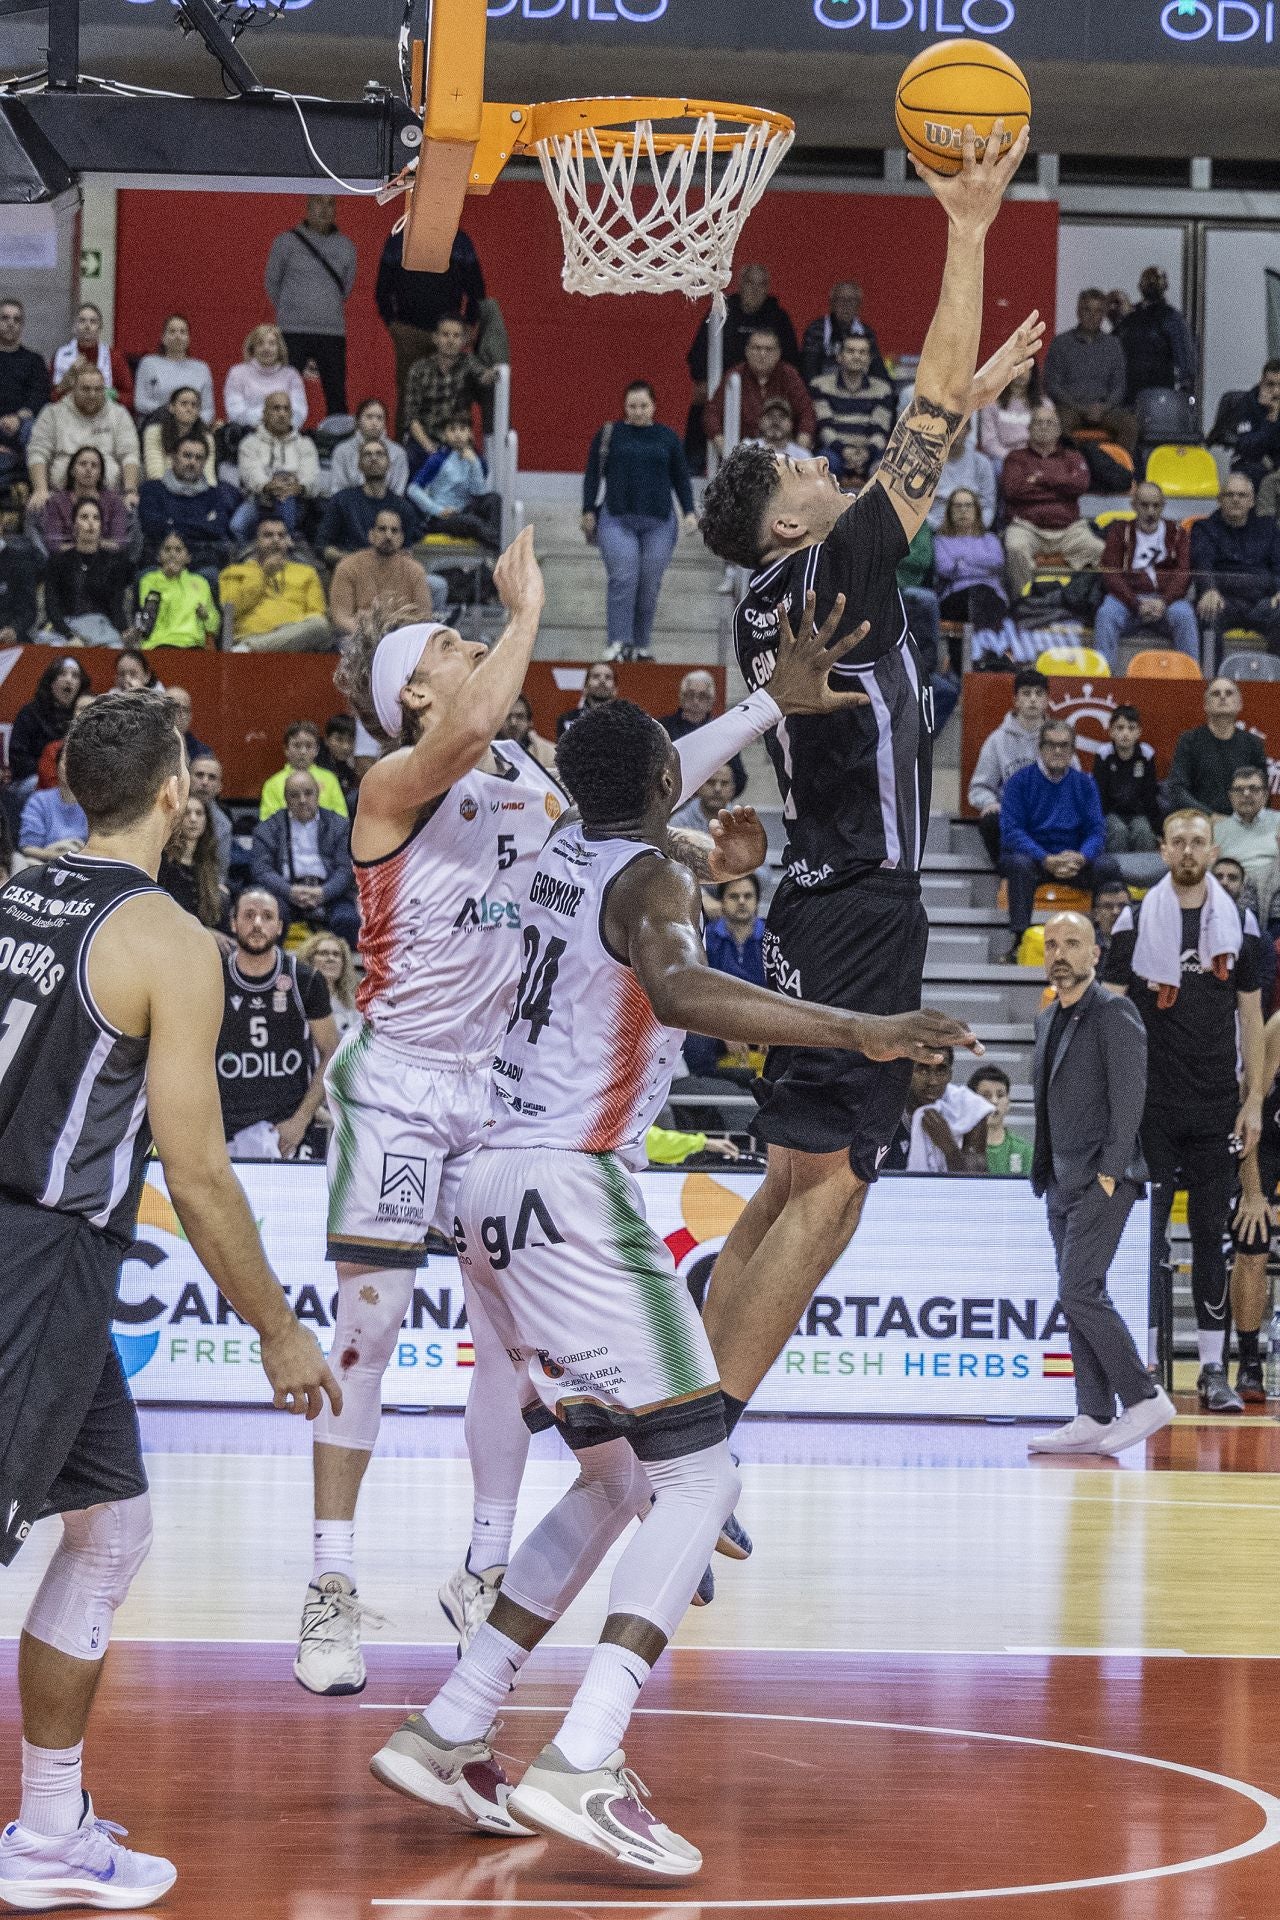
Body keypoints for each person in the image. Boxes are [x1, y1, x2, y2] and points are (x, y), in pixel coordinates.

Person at [369, 695, 977, 1870]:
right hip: (567, 1183)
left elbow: (627, 804)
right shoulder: (652, 883)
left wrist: (736, 763)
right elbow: (684, 991)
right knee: (696, 1479)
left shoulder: (551, 844)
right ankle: (586, 1752)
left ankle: (452, 1722)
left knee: (609, 1483)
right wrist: (858, 1031)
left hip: (481, 1187)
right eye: (678, 774)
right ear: (659, 784)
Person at [309, 533, 890, 1697]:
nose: (481, 651)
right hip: (402, 1082)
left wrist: (748, 736)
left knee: (504, 1357)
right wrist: (522, 612)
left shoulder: (523, 777)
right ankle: (329, 1579)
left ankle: (486, 1565)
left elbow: (632, 793)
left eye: (482, 636)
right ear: (412, 691)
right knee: (366, 1336)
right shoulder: (392, 783)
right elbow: (470, 728)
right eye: (456, 646)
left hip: (494, 1093)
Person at [692, 121, 1033, 1479]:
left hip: (821, 897)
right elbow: (928, 410)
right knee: (832, 1185)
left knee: (785, 1177)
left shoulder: (779, 588)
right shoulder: (828, 567)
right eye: (800, 473)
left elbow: (929, 438)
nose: (820, 466)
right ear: (786, 523)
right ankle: (707, 1443)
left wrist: (963, 393)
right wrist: (963, 228)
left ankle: (681, 1417)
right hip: (861, 906)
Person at [0, 690, 337, 1911]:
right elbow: (196, 1170)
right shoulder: (166, 942)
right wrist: (279, 1326)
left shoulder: (19, 884)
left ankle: (47, 1835)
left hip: (55, 1259)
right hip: (35, 1255)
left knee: (112, 1529)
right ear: (176, 796)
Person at [1103, 809, 1264, 1412]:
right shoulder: (1135, 920)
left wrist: (1252, 1099)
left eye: (1199, 841)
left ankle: (1213, 1370)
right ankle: (1144, 1368)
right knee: (1147, 1240)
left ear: (1212, 846)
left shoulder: (1239, 923)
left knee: (1207, 1239)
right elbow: (1113, 1015)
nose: (1189, 851)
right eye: (1178, 842)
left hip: (1216, 1105)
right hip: (1152, 1107)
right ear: (1163, 850)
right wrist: (1115, 1102)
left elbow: (1250, 1017)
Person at [1026, 912, 1174, 1454]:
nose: (1060, 954)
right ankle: (1092, 1413)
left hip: (1104, 1176)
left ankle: (1143, 1397)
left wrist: (1111, 1170)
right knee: (1077, 1294)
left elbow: (1130, 1096)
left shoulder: (1115, 1011)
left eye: (1073, 944)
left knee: (1079, 1289)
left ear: (1095, 954)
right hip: (1060, 1177)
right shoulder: (1048, 1018)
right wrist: (1044, 1171)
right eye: (1052, 945)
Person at [215, 886, 338, 1161]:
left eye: (267, 916)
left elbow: (331, 1051)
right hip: (224, 1129)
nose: (257, 923)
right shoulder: (212, 977)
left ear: (280, 926)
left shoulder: (305, 979)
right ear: (233, 923)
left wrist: (301, 1119)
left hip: (289, 1129)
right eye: (249, 915)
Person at [582, 381, 697, 664]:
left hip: (659, 521)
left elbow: (681, 477)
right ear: (624, 407)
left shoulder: (668, 437)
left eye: (643, 406)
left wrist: (690, 511)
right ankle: (619, 642)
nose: (638, 411)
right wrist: (587, 509)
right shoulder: (610, 433)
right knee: (623, 578)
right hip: (616, 517)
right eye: (632, 406)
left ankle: (641, 645)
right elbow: (592, 474)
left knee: (649, 583)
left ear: (654, 406)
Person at [1000, 720, 1121, 959]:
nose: (1057, 751)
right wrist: (1045, 858)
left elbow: (1097, 830)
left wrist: (1082, 856)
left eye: (1064, 746)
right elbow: (1012, 831)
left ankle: (1101, 940)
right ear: (1040, 748)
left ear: (1073, 750)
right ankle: (1020, 941)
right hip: (1036, 860)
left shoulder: (1085, 783)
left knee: (1108, 866)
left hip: (1074, 860)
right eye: (1051, 745)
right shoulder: (1019, 782)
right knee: (1018, 864)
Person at [375, 226, 486, 431]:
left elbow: (476, 288)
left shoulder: (460, 241)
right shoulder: (398, 240)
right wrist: (393, 324)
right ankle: (407, 453)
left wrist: (469, 325)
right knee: (408, 395)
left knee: (453, 393)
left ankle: (452, 453)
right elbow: (382, 289)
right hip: (410, 332)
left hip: (448, 335)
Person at [266, 196, 358, 419]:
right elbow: (272, 283)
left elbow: (346, 287)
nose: (324, 209)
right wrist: (294, 310)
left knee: (336, 393)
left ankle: (336, 444)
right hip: (291, 330)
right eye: (319, 202)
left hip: (331, 331)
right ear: (307, 207)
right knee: (283, 393)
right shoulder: (285, 242)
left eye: (330, 204)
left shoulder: (346, 246)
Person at [1228, 1008, 1280, 1402]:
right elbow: (1249, 1108)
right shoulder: (1278, 1029)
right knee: (1252, 1235)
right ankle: (1248, 1362)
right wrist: (1252, 1191)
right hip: (1267, 1138)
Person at [1000, 402, 1103, 598]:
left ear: (1058, 430)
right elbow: (1012, 491)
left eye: (1050, 423)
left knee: (1101, 551)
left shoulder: (1073, 457)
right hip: (1027, 528)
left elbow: (1080, 486)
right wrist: (1061, 488)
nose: (1044, 427)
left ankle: (1083, 603)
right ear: (1029, 429)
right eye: (1038, 423)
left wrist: (1040, 479)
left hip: (1069, 530)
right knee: (1014, 547)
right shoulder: (1015, 458)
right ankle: (1023, 604)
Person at [250, 769, 360, 947]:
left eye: (308, 793)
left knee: (348, 920)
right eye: (294, 795)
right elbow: (262, 870)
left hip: (330, 892)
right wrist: (289, 891)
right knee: (272, 916)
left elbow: (346, 869)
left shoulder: (340, 825)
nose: (302, 800)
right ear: (286, 799)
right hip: (284, 892)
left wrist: (324, 893)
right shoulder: (267, 828)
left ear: (318, 794)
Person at [1094, 480, 1197, 666]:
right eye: (1144, 505)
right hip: (1127, 600)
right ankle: (1103, 682)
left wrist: (1164, 602)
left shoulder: (1177, 533)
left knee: (1185, 615)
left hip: (1165, 600)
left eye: (1156, 506)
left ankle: (1191, 682)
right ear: (1134, 505)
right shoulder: (1120, 531)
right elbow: (1111, 573)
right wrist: (1135, 602)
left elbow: (1183, 573)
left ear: (1163, 506)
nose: (1150, 512)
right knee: (1106, 614)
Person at [26, 362, 140, 509]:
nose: (92, 395)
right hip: (61, 495)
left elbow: (129, 455)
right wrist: (40, 489)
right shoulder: (52, 413)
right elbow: (38, 453)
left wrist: (130, 491)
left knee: (133, 507)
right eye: (86, 389)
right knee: (34, 510)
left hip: (108, 497)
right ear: (73, 389)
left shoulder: (119, 414)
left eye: (98, 390)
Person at [1190, 474, 1280, 657]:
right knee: (1206, 613)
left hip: (1263, 602)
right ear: (1219, 499)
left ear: (1252, 501)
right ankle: (1213, 682)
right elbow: (1202, 563)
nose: (1236, 499)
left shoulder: (1268, 528)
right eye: (1229, 495)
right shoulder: (1204, 528)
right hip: (1223, 601)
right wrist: (1209, 589)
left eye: (1242, 495)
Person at [967, 668, 1049, 868]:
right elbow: (978, 788)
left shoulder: (1057, 737)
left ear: (1047, 700)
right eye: (1026, 693)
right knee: (991, 820)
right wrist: (990, 802)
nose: (1032, 700)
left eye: (1039, 694)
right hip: (1012, 815)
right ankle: (1006, 870)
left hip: (1049, 815)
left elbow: (1073, 783)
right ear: (1016, 700)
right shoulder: (997, 740)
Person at [219, 516, 331, 654]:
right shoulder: (233, 572)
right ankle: (253, 647)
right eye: (268, 535)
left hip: (296, 646)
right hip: (251, 636)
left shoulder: (307, 572)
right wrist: (263, 574)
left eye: (281, 535)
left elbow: (316, 614)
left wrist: (286, 632)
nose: (276, 540)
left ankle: (251, 648)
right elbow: (232, 611)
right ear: (255, 542)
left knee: (320, 625)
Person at [1042, 288, 1135, 453]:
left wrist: (1104, 408)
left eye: (1098, 311)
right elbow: (1053, 385)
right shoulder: (1061, 343)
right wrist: (1080, 408)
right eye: (1087, 309)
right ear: (1078, 311)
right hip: (1070, 408)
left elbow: (1119, 386)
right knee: (1055, 424)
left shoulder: (1113, 345)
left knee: (1130, 425)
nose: (1092, 315)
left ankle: (1117, 468)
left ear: (1104, 314)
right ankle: (1076, 466)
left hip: (1105, 410)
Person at [703, 328, 815, 457]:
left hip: (782, 454)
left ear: (779, 353)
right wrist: (726, 449)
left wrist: (799, 451)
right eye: (756, 348)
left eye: (768, 349)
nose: (762, 354)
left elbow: (807, 413)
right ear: (746, 351)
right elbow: (712, 413)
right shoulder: (734, 376)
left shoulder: (789, 375)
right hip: (742, 455)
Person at [1167, 677, 1268, 817]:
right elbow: (1177, 789)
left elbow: (1262, 790)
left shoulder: (1253, 743)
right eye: (1216, 693)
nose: (1222, 697)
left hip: (1244, 823)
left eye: (1229, 693)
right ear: (1206, 706)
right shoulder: (1189, 741)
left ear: (1239, 704)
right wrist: (1210, 816)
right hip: (1200, 821)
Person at [137, 432, 236, 573]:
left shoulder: (216, 495)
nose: (192, 462)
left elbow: (216, 529)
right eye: (187, 456)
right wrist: (199, 525)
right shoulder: (152, 489)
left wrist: (172, 522)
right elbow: (151, 526)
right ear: (173, 457)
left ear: (204, 462)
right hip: (159, 561)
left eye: (198, 458)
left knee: (211, 576)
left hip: (202, 563)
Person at [233, 390, 323, 542]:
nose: (282, 414)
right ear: (264, 414)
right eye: (276, 408)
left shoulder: (305, 444)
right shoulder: (249, 443)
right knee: (237, 526)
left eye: (286, 409)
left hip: (298, 501)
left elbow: (311, 477)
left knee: (285, 498)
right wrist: (269, 486)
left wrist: (298, 487)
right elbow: (251, 474)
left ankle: (281, 550)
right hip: (259, 500)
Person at [39, 498, 131, 646]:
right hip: (64, 627)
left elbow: (116, 607)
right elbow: (52, 605)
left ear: (101, 525)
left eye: (96, 518)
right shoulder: (57, 561)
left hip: (102, 626)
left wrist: (125, 630)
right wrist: (69, 636)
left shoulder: (114, 563)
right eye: (84, 517)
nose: (90, 523)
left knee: (117, 649)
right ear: (74, 524)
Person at [328, 508, 432, 639]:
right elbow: (341, 618)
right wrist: (373, 636)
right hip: (359, 639)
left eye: (394, 531)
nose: (388, 536)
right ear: (371, 535)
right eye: (382, 529)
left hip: (402, 639)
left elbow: (424, 618)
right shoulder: (347, 567)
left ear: (401, 538)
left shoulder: (415, 571)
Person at [7, 657, 91, 815]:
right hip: (31, 779)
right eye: (62, 674)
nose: (69, 680)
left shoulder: (82, 714)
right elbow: (18, 759)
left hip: (72, 781)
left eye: (75, 676)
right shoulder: (30, 712)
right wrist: (52, 774)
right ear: (51, 681)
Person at [319, 439, 423, 564]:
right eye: (367, 454)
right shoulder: (341, 501)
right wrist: (354, 561)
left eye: (379, 454)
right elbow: (322, 547)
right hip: (351, 572)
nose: (373, 458)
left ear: (389, 463)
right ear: (359, 465)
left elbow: (407, 551)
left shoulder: (403, 508)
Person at [809, 334, 896, 484]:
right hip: (834, 451)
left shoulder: (883, 389)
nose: (857, 356)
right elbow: (825, 428)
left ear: (869, 358)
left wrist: (866, 453)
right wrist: (844, 451)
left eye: (862, 352)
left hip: (870, 452)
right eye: (850, 351)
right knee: (825, 461)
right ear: (839, 356)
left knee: (888, 465)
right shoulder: (820, 385)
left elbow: (880, 430)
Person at [404, 315, 494, 458]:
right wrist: (429, 447)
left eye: (456, 336)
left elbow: (484, 376)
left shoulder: (469, 363)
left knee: (481, 467)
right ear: (435, 338)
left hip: (458, 441)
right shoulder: (419, 369)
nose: (451, 340)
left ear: (464, 340)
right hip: (424, 442)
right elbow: (410, 417)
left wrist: (493, 373)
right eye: (445, 335)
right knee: (409, 459)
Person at [405, 413, 499, 550]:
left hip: (465, 511)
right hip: (441, 518)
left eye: (462, 429)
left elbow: (479, 494)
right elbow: (413, 489)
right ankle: (502, 549)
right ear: (445, 435)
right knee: (473, 523)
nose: (458, 434)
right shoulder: (437, 459)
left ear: (470, 434)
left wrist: (474, 464)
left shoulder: (478, 461)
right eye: (452, 430)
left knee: (494, 499)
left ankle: (495, 549)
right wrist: (437, 510)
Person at [30, 444, 131, 555]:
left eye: (94, 466)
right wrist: (85, 545)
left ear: (100, 474)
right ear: (72, 470)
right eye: (83, 464)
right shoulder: (57, 501)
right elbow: (54, 544)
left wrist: (88, 544)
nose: (88, 469)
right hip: (67, 562)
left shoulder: (114, 501)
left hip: (107, 562)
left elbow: (120, 543)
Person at [1116, 265, 1197, 404]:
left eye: (1156, 280)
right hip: (1128, 393)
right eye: (1148, 280)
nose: (1152, 284)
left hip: (1159, 394)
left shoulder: (1172, 318)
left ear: (1164, 285)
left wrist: (1184, 388)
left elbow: (1185, 359)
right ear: (1140, 285)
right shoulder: (1130, 317)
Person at [659, 669, 746, 798]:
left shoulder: (722, 732)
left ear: (711, 701)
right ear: (681, 698)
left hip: (712, 802)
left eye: (702, 696)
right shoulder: (663, 728)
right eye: (690, 695)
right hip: (671, 799)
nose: (695, 701)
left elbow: (738, 777)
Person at [933, 485, 1008, 632]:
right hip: (956, 596)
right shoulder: (940, 540)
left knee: (984, 595)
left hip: (991, 595)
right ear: (949, 511)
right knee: (972, 596)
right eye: (957, 506)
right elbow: (945, 569)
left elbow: (998, 562)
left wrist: (961, 562)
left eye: (968, 505)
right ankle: (979, 651)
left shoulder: (990, 539)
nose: (963, 510)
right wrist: (983, 566)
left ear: (977, 510)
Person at [1093, 703, 1162, 855]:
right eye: (1120, 728)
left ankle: (1146, 875)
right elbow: (1098, 795)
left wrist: (1158, 829)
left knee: (1143, 831)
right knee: (1118, 831)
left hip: (1138, 813)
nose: (1125, 733)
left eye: (1131, 728)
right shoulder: (1103, 754)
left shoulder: (1146, 754)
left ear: (1139, 732)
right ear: (1111, 731)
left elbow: (1150, 795)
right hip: (1111, 813)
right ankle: (1117, 874)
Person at [133, 531, 221, 650]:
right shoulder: (148, 580)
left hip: (193, 646)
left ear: (188, 558)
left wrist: (206, 615)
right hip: (158, 644)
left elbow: (213, 626)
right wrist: (169, 576)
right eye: (167, 549)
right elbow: (148, 613)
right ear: (159, 556)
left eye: (178, 550)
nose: (172, 554)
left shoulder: (201, 583)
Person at [1213, 766, 1280, 915]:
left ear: (1265, 795)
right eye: (1239, 790)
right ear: (1230, 796)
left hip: (1273, 895)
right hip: (1233, 896)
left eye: (1253, 789)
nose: (1246, 794)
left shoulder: (1278, 822)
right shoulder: (1217, 830)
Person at [799, 279, 890, 387]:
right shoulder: (816, 329)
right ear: (831, 303)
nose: (846, 305)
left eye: (852, 300)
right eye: (841, 300)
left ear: (859, 306)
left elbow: (877, 368)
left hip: (861, 389)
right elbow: (809, 369)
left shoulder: (866, 332)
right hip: (825, 387)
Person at [0, 295, 50, 482]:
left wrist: (18, 417)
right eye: (5, 318)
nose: (11, 323)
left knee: (36, 427)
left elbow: (39, 397)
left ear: (22, 325)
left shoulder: (34, 361)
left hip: (22, 426)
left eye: (16, 319)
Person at [259, 720, 350, 820]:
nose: (303, 751)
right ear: (286, 749)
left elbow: (342, 818)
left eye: (309, 746)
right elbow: (267, 822)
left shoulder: (329, 779)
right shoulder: (273, 784)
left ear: (316, 750)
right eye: (297, 746)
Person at [158, 790, 225, 928]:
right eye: (187, 813)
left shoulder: (207, 863)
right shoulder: (163, 862)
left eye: (199, 813)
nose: (193, 819)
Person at [223, 324, 307, 432]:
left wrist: (280, 428)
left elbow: (299, 412)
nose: (266, 348)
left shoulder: (291, 375)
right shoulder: (237, 373)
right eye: (260, 343)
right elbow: (236, 412)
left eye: (272, 344)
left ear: (279, 348)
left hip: (285, 434)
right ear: (253, 348)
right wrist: (273, 420)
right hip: (248, 434)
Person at [132, 315, 214, 424]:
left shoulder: (202, 368)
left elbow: (208, 410)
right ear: (163, 338)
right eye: (172, 331)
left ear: (189, 338)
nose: (177, 336)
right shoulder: (149, 363)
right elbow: (140, 402)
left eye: (182, 332)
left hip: (193, 428)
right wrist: (172, 414)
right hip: (157, 424)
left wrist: (191, 422)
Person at [50, 301, 129, 405]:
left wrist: (110, 394)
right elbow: (52, 398)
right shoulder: (60, 355)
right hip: (69, 414)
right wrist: (68, 378)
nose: (87, 326)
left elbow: (129, 397)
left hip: (105, 413)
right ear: (74, 327)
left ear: (100, 328)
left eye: (93, 322)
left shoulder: (113, 357)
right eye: (82, 321)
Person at [329, 398, 410, 498]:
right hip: (349, 508)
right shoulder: (341, 451)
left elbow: (398, 491)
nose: (374, 423)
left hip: (387, 508)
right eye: (369, 417)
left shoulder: (398, 453)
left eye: (379, 418)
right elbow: (337, 489)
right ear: (358, 420)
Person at [925, 417, 996, 532]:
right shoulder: (926, 464)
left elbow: (988, 506)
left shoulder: (982, 463)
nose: (953, 432)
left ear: (968, 430)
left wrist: (975, 529)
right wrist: (941, 528)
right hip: (936, 530)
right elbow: (919, 510)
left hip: (974, 531)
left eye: (959, 427)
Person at [18, 745, 87, 862]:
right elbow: (28, 847)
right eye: (66, 762)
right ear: (57, 766)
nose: (70, 767)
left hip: (84, 863)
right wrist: (57, 855)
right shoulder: (39, 800)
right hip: (45, 864)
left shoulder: (93, 801)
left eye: (75, 763)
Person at [139, 385, 216, 486]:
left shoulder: (207, 438)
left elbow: (209, 475)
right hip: (163, 490)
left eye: (194, 405)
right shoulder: (154, 432)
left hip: (197, 493)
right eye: (184, 404)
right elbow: (155, 473)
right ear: (171, 407)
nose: (189, 409)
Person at [1224, 358, 1280, 491]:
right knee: (1252, 472)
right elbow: (1249, 449)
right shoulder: (1248, 404)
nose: (1276, 392)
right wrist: (1270, 419)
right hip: (1254, 465)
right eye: (1270, 385)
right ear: (1262, 383)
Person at [968, 1062, 1033, 1176]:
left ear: (1008, 1102)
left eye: (1000, 1095)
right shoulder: (960, 1147)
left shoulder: (1024, 1150)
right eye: (986, 1095)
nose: (994, 1101)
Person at [977, 358, 1039, 475]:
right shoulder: (991, 403)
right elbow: (988, 442)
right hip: (1003, 459)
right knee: (997, 467)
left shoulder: (1044, 404)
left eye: (1027, 367)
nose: (1022, 372)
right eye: (1017, 366)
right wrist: (1013, 458)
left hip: (1036, 458)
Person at [299, 930, 361, 1039]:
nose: (331, 958)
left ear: (343, 963)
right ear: (309, 959)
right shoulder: (298, 998)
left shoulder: (354, 1002)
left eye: (336, 954)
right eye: (323, 953)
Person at [189, 753, 233, 884]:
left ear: (220, 787)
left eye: (212, 777)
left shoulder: (223, 825)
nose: (205, 782)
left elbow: (219, 873)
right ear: (187, 778)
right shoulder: (168, 812)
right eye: (199, 775)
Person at [556, 660, 617, 741]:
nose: (602, 680)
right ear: (585, 688)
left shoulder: (626, 722)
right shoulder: (567, 720)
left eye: (608, 677)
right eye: (596, 676)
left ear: (615, 690)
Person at [497, 691, 557, 772]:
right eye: (507, 716)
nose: (513, 723)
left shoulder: (550, 755)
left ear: (529, 722)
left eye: (520, 716)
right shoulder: (482, 754)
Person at [0, 526, 40, 645]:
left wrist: (14, 629)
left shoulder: (20, 561)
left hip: (9, 639)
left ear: (1, 527)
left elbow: (28, 610)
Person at [316, 713, 362, 806]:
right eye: (339, 739)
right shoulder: (315, 760)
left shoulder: (349, 767)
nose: (345, 746)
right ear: (326, 739)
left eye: (350, 741)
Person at [1091, 876, 1132, 970]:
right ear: (1096, 914)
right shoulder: (1086, 946)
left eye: (1122, 906)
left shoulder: (1141, 944)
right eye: (1107, 906)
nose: (1116, 912)